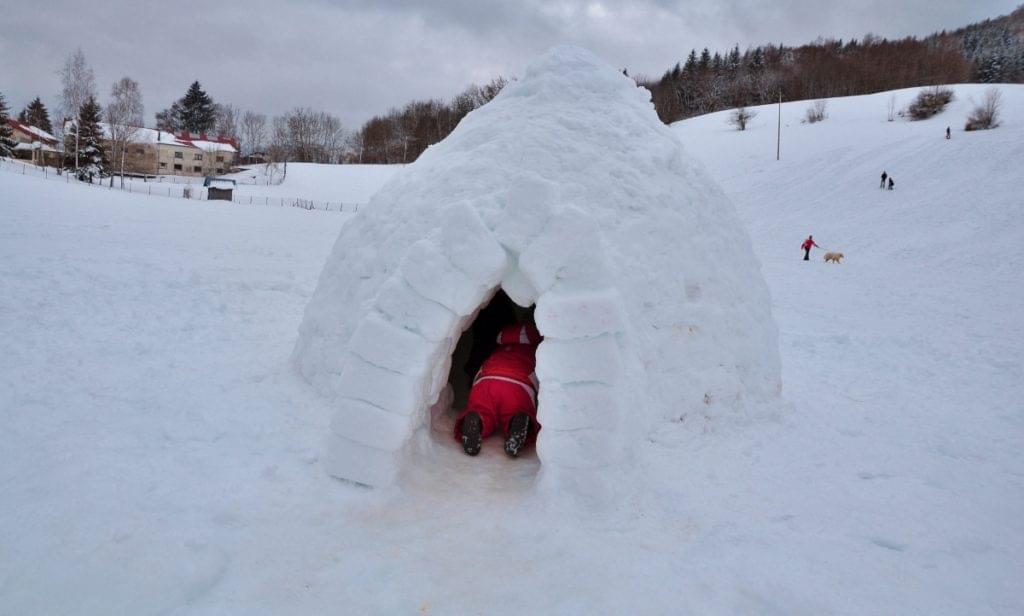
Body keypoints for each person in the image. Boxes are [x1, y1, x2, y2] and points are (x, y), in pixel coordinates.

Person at [455, 322, 542, 458]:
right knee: (515, 409)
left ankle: (476, 417)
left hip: (486, 380)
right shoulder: (536, 350)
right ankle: (518, 418)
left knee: (483, 409)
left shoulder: (500, 347)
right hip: (517, 385)